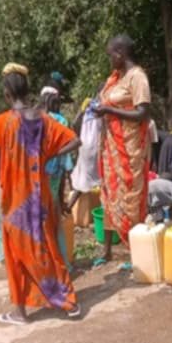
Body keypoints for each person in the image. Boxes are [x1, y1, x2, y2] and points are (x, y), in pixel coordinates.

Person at [0, 63, 81, 324]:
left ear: (7, 94)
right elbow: (76, 140)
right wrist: (47, 154)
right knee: (48, 247)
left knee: (16, 254)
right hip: (40, 198)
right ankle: (69, 302)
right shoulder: (42, 119)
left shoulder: (1, 123)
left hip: (15, 200)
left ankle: (20, 312)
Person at [95, 34, 151, 263]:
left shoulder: (137, 78)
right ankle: (107, 250)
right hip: (111, 148)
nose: (110, 60)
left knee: (130, 197)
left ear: (121, 53)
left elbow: (142, 113)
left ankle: (135, 252)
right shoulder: (116, 78)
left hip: (129, 149)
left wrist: (109, 111)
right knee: (110, 195)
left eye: (111, 55)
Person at [40, 91, 75, 271]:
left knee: (43, 222)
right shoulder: (62, 121)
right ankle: (62, 262)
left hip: (42, 173)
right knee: (54, 217)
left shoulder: (41, 120)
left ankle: (51, 264)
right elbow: (69, 146)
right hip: (56, 172)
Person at [67, 95, 102, 212]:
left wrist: (82, 111)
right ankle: (104, 213)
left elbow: (74, 125)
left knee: (83, 179)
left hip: (84, 147)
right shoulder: (102, 109)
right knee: (100, 180)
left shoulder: (87, 110)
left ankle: (69, 207)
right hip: (96, 149)